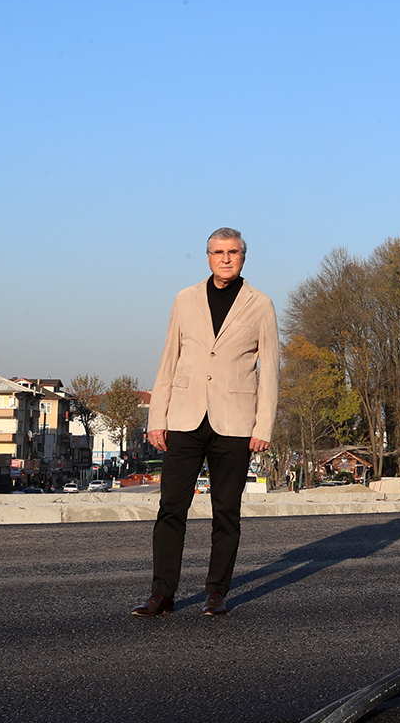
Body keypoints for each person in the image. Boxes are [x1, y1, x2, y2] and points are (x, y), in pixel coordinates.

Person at [131, 227, 279, 617]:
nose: (226, 258)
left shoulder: (260, 304)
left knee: (226, 511)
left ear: (244, 257)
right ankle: (162, 593)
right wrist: (156, 418)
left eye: (233, 252)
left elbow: (271, 371)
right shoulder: (185, 299)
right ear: (208, 257)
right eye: (218, 252)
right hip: (184, 417)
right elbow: (168, 360)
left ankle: (217, 591)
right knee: (170, 508)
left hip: (235, 423)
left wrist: (263, 426)